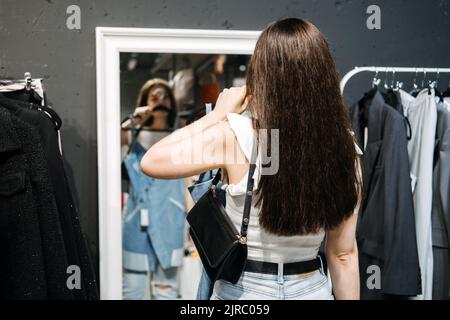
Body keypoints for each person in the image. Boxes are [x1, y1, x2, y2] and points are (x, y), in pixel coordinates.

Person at [140, 18, 362, 300]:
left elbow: (153, 160)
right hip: (311, 288)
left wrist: (218, 115)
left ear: (262, 73)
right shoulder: (344, 147)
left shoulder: (236, 135)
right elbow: (342, 254)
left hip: (247, 290)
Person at [121, 79, 186, 300]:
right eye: (154, 97)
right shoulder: (131, 135)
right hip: (137, 220)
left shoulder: (182, 134)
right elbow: (108, 143)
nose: (161, 101)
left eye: (165, 96)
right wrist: (135, 119)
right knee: (133, 290)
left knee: (167, 291)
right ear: (145, 102)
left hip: (171, 218)